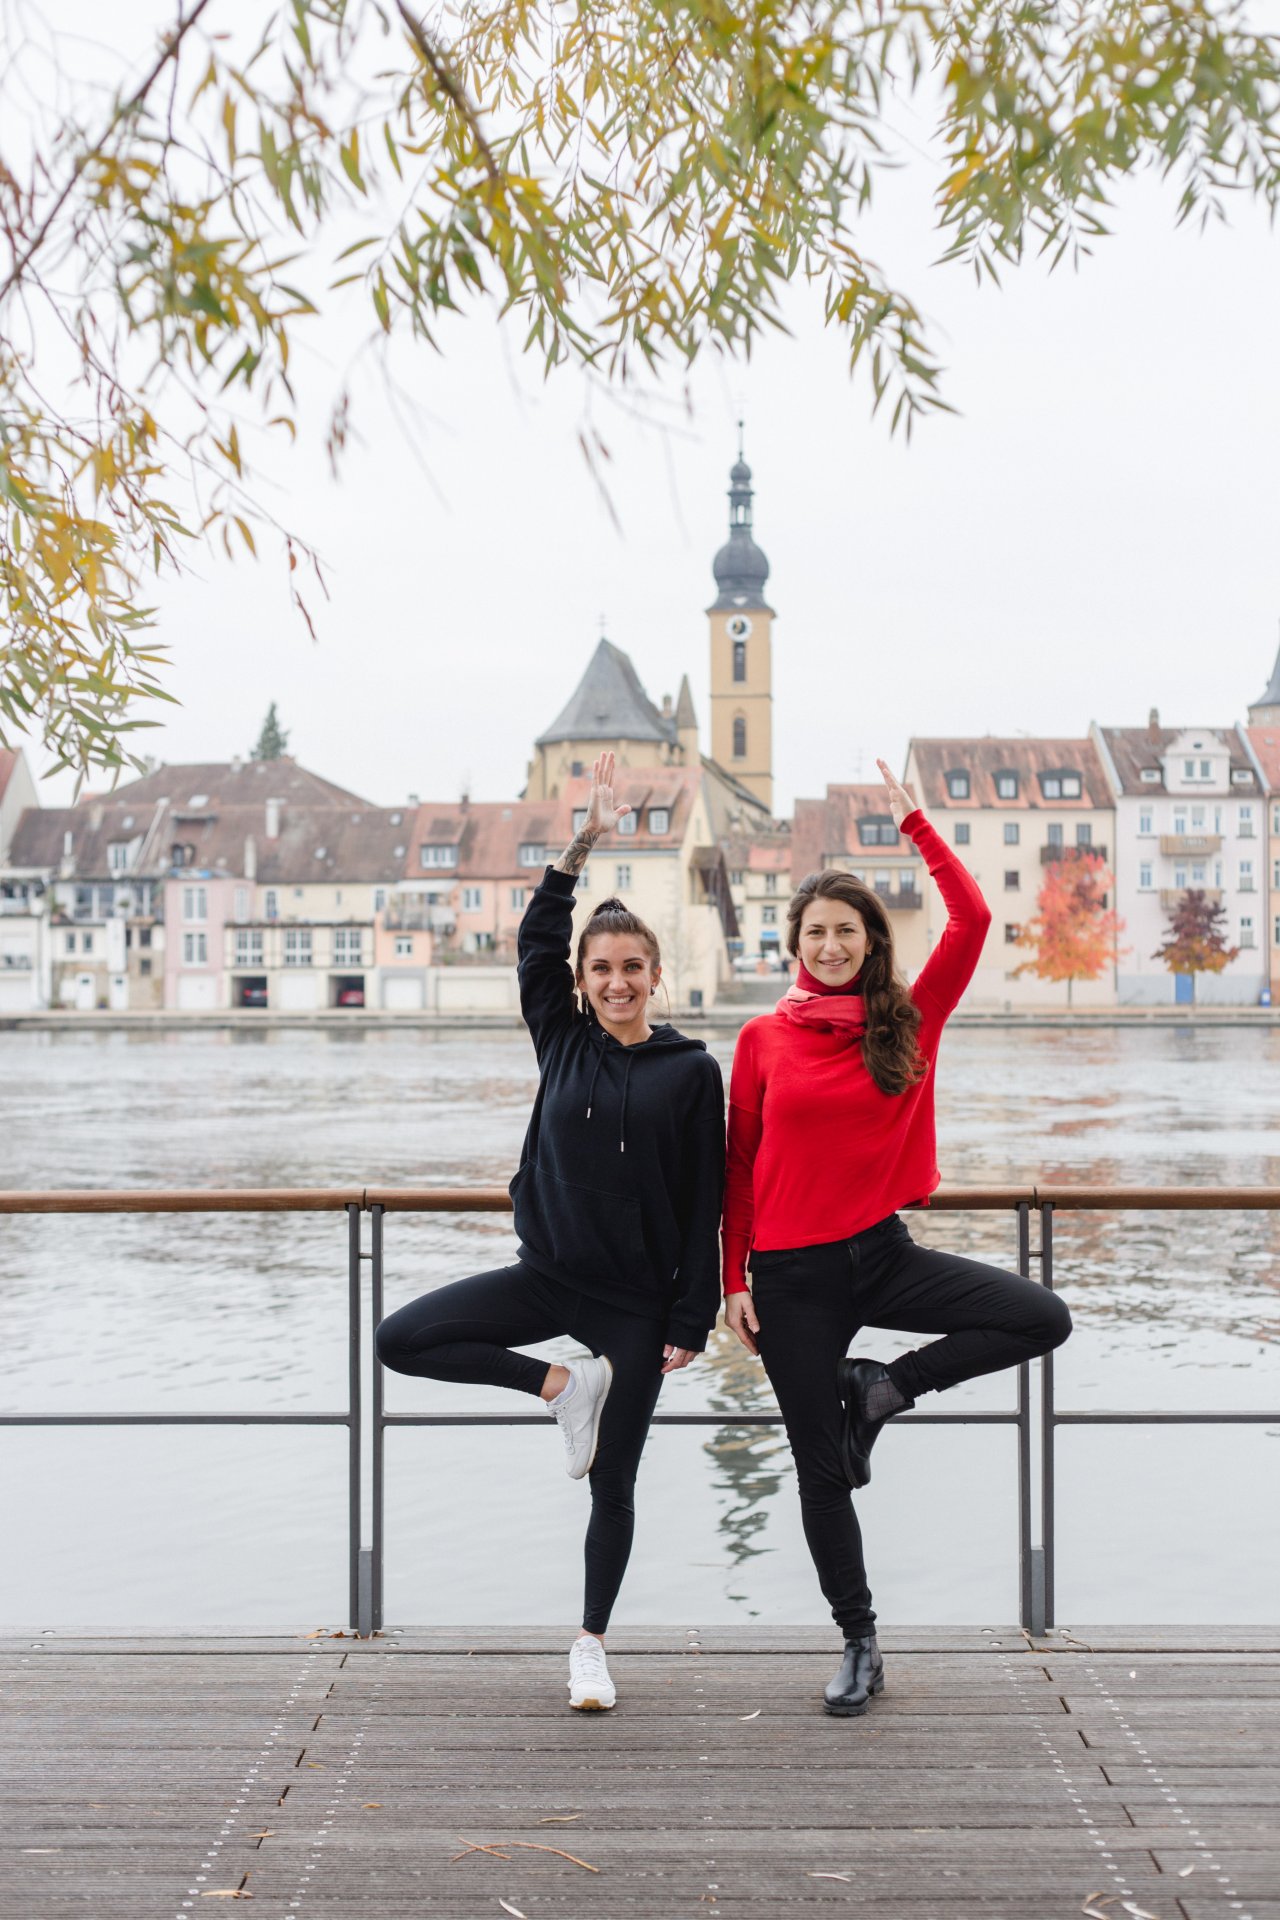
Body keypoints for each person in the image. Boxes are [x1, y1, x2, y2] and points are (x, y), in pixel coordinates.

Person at [375, 753, 725, 1711]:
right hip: (549, 1277)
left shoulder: (692, 1072)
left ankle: (590, 1645)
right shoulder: (559, 1036)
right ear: (582, 981)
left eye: (631, 969)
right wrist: (579, 846)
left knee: (613, 1484)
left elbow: (706, 1202)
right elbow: (534, 938)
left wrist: (691, 1319)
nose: (617, 982)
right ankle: (561, 1387)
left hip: (638, 1306)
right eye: (601, 970)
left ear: (656, 976)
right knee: (400, 1339)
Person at [722, 759, 1071, 1717]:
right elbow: (739, 1165)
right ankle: (859, 1639)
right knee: (819, 1468)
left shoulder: (910, 1019)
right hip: (789, 1279)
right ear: (794, 944)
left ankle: (884, 1386)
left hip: (883, 1254)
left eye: (847, 930)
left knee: (1040, 1316)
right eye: (815, 932)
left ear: (873, 940)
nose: (831, 945)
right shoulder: (763, 1038)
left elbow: (971, 922)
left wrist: (916, 822)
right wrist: (731, 1279)